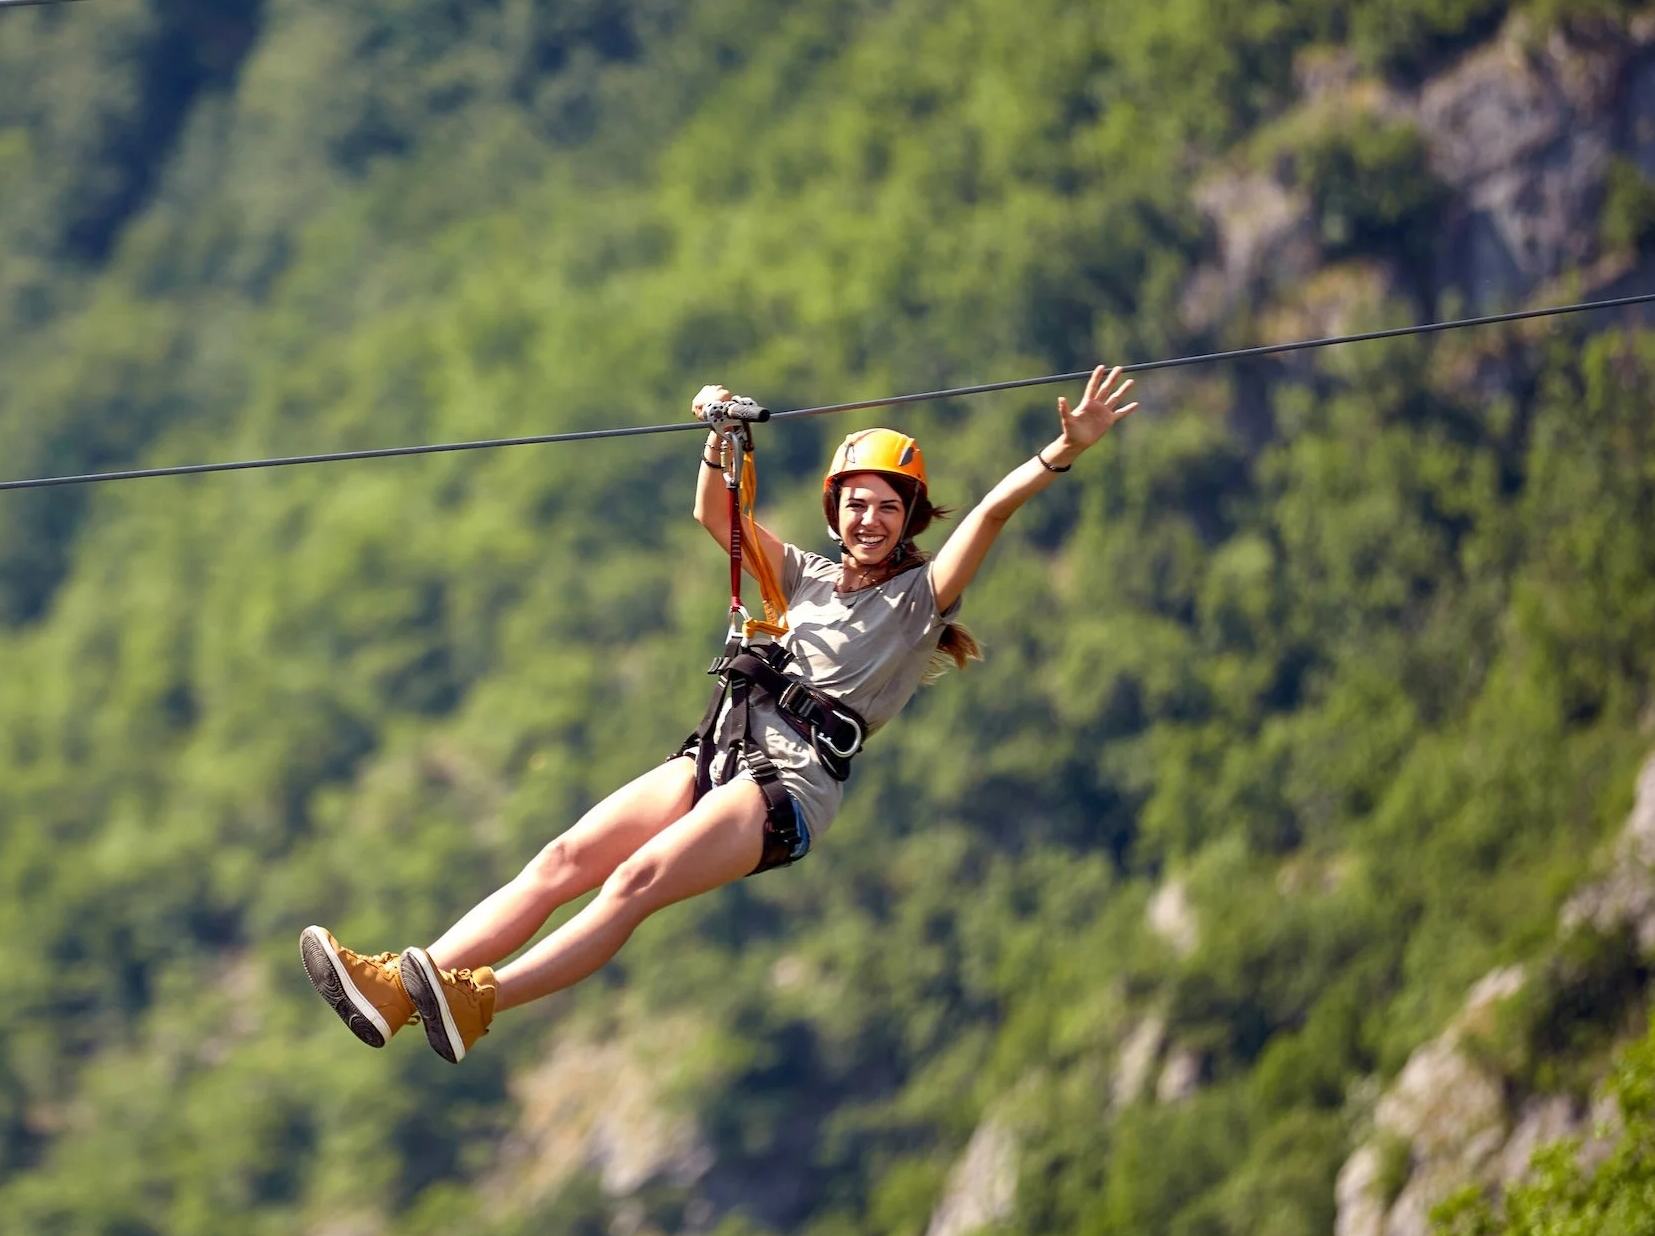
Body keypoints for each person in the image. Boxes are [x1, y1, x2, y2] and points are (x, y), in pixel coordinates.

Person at [300, 365, 1140, 1063]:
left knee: (631, 883)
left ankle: (478, 1000)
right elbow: (716, 514)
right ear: (835, 509)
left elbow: (991, 513)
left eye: (889, 506)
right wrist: (720, 437)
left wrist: (1062, 450)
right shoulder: (804, 575)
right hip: (722, 748)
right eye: (857, 502)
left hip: (789, 783)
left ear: (911, 517)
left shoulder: (920, 600)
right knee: (562, 858)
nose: (870, 518)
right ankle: (396, 993)